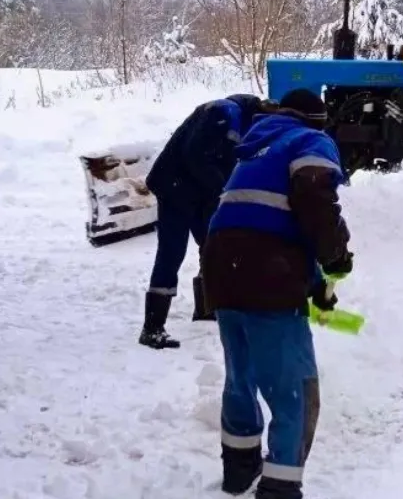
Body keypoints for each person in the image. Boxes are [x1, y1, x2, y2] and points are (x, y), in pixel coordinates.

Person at [200, 88, 354, 499]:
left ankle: (239, 468)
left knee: (241, 375)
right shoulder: (311, 140)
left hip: (221, 265)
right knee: (294, 389)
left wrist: (319, 286)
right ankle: (281, 487)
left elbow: (277, 219)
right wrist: (337, 257)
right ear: (318, 121)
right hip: (266, 269)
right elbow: (314, 203)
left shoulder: (258, 145)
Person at [139, 94, 271, 350]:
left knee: (212, 244)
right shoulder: (222, 113)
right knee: (172, 252)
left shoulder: (241, 120)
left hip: (198, 189)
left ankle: (205, 307)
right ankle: (152, 328)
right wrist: (224, 186)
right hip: (174, 187)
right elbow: (195, 155)